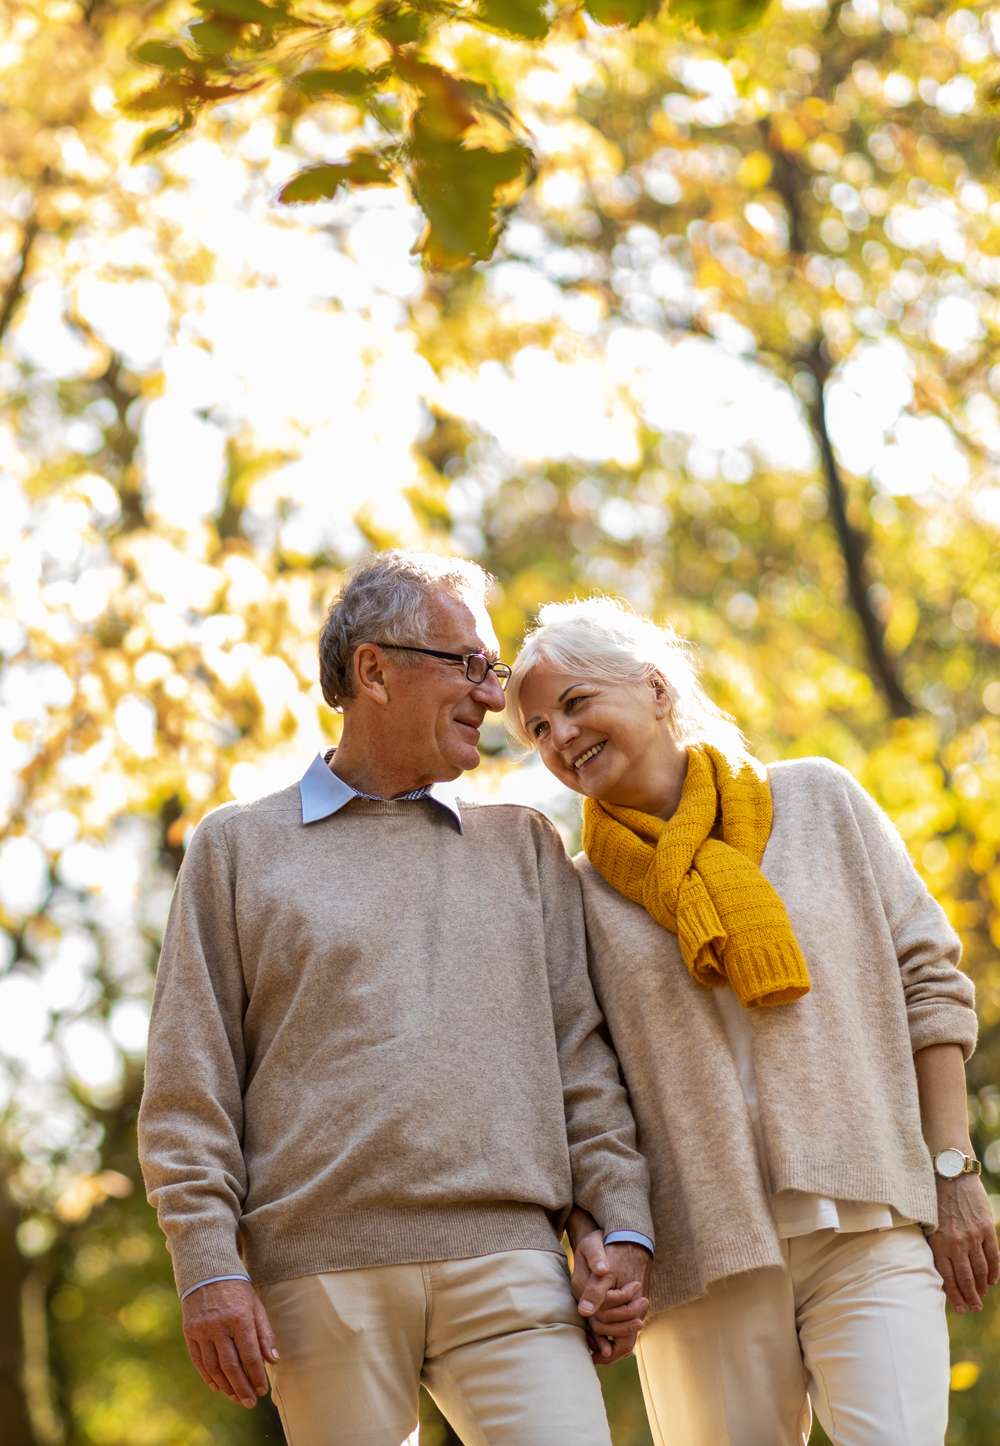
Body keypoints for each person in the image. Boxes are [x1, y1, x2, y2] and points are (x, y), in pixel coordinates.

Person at [138, 552, 654, 1446]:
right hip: (318, 1284)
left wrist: (622, 1226)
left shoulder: (523, 848)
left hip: (514, 1266)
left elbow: (582, 1059)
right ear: (374, 670)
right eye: (469, 665)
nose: (493, 697)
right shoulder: (234, 850)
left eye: (491, 670)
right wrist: (206, 1267)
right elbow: (190, 1090)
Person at [506, 594, 999, 1446]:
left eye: (576, 703)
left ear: (657, 689)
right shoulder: (573, 893)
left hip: (868, 1225)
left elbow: (930, 980)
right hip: (702, 1258)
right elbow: (579, 1088)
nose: (559, 739)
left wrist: (953, 1171)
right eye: (537, 728)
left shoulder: (819, 801)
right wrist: (596, 1236)